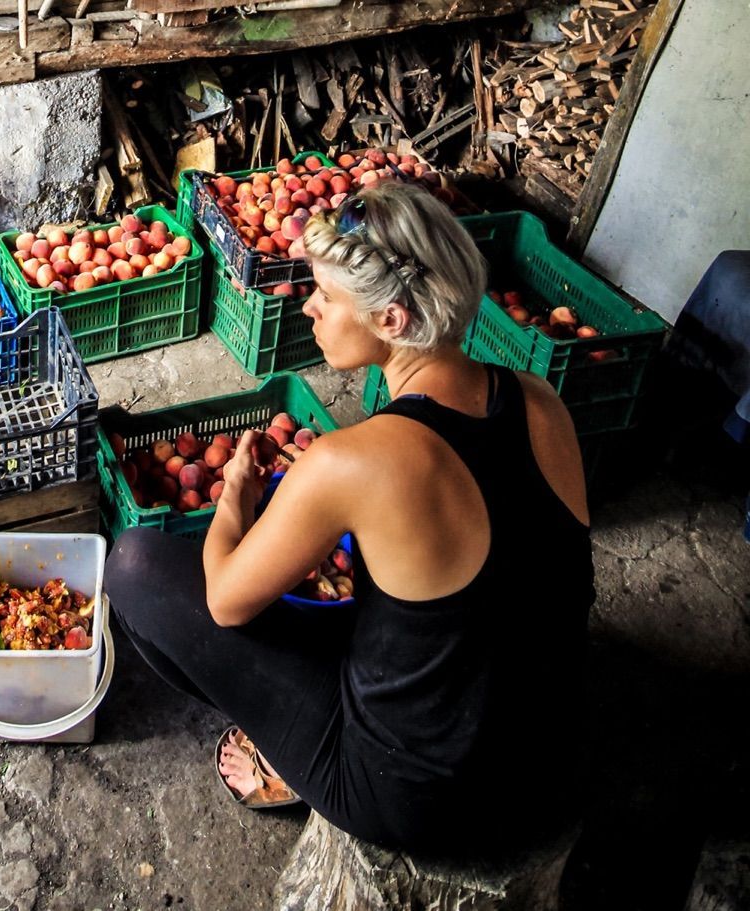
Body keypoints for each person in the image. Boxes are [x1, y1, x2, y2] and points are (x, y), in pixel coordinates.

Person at [104, 181, 596, 854]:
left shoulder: (354, 462)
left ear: (391, 319)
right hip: (548, 754)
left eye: (327, 297)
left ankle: (291, 757)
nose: (308, 306)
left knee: (135, 567)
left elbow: (223, 601)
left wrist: (235, 500)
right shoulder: (540, 400)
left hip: (420, 796)